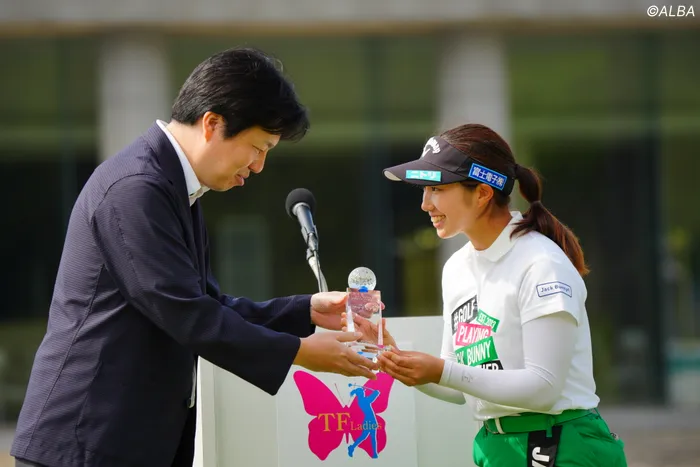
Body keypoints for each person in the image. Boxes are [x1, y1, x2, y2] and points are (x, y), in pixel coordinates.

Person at [11, 47, 377, 467]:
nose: (259, 166)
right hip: (85, 442)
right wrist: (300, 351)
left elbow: (206, 305)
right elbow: (185, 312)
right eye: (258, 147)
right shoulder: (136, 187)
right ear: (212, 123)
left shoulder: (172, 186)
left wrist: (305, 311)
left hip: (121, 441)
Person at [345, 123, 627, 467]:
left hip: (561, 446)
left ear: (482, 193)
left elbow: (544, 387)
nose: (425, 204)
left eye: (436, 189)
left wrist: (442, 371)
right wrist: (395, 357)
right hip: (495, 447)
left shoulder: (541, 264)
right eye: (424, 190)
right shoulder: (456, 268)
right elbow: (459, 387)